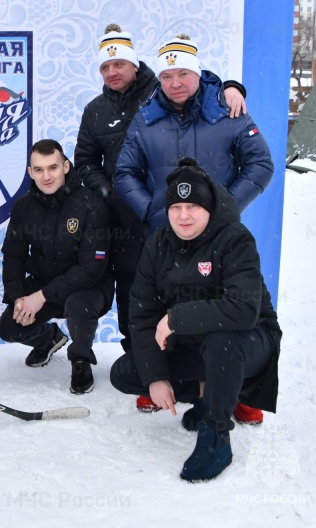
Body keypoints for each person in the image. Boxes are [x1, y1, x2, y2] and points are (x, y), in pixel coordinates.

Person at [74, 24, 247, 354]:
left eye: (119, 64)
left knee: (189, 283)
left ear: (135, 64)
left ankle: (190, 358)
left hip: (181, 212)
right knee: (135, 287)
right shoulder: (95, 110)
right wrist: (110, 192)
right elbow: (84, 161)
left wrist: (231, 87)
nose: (112, 72)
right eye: (105, 67)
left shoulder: (160, 91)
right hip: (127, 216)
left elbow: (197, 85)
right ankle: (138, 353)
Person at [110, 158, 281, 482]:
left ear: (209, 207)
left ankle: (217, 435)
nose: (183, 215)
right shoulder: (157, 244)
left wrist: (175, 318)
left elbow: (244, 310)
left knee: (223, 342)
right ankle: (208, 395)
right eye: (176, 207)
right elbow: (143, 315)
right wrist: (156, 376)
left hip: (252, 340)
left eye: (192, 206)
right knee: (128, 373)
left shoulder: (235, 239)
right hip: (197, 345)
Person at [114, 33, 273, 236]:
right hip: (163, 233)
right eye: (167, 77)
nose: (175, 83)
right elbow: (125, 172)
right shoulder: (145, 118)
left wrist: (226, 207)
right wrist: (150, 209)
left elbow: (260, 164)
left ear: (198, 73)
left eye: (183, 74)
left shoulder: (227, 109)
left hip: (218, 233)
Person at [0, 139, 113, 394]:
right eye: (38, 169)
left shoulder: (91, 204)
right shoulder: (23, 208)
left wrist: (42, 296)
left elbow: (90, 269)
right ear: (30, 172)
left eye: (53, 168)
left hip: (90, 286)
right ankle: (49, 340)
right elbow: (13, 256)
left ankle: (81, 361)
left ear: (66, 167)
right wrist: (18, 296)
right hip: (46, 282)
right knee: (8, 328)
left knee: (77, 304)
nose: (46, 176)